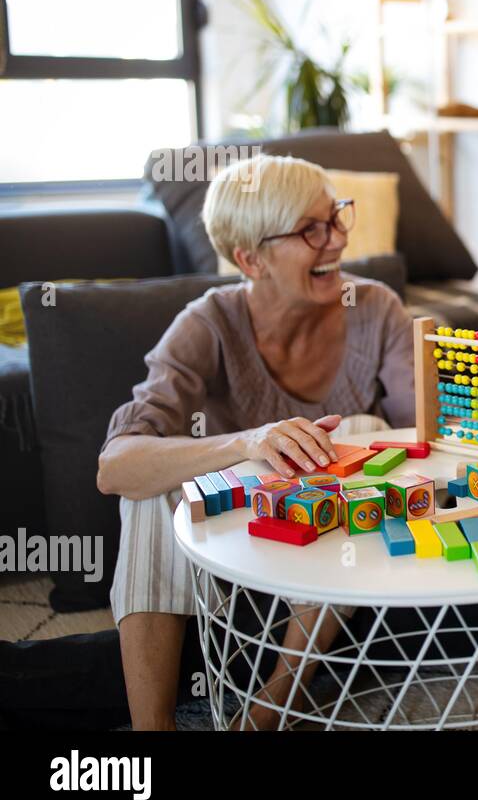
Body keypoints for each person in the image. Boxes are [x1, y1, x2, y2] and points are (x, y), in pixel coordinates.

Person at [96, 155, 416, 730]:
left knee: (363, 433)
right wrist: (248, 442)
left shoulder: (375, 307)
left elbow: (426, 433)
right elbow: (116, 466)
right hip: (234, 545)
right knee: (144, 497)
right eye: (309, 230)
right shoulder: (208, 323)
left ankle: (270, 708)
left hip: (336, 549)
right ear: (250, 259)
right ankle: (151, 732)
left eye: (336, 218)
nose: (337, 240)